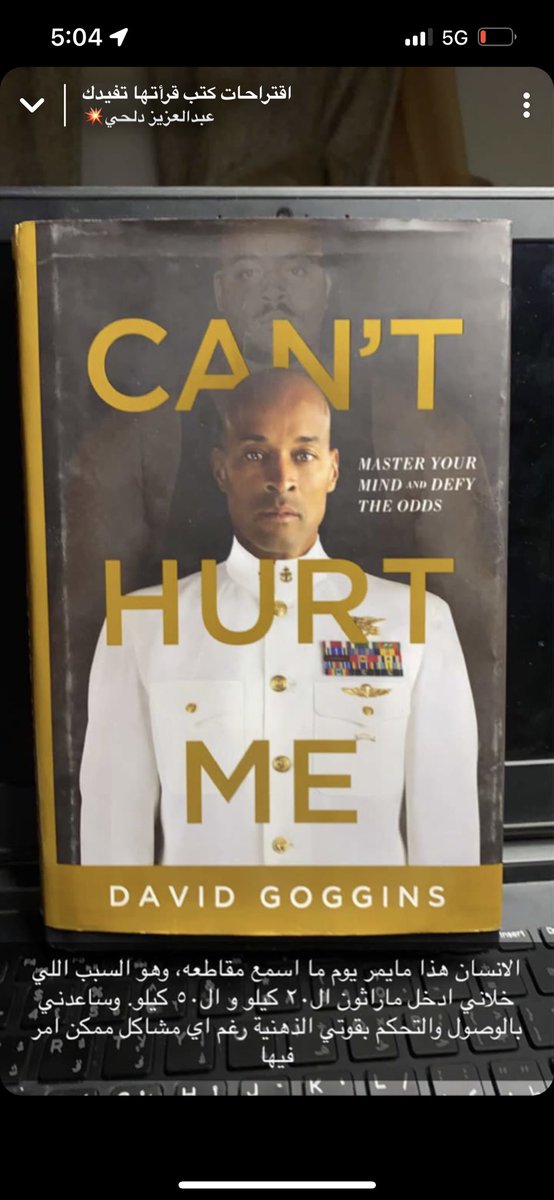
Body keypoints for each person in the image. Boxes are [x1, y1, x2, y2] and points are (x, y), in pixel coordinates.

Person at [80, 367, 480, 867]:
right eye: (255, 454)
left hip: (362, 919)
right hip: (203, 918)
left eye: (303, 454)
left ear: (332, 470)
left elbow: (447, 834)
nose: (282, 478)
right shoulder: (141, 627)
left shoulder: (418, 622)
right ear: (221, 470)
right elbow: (113, 831)